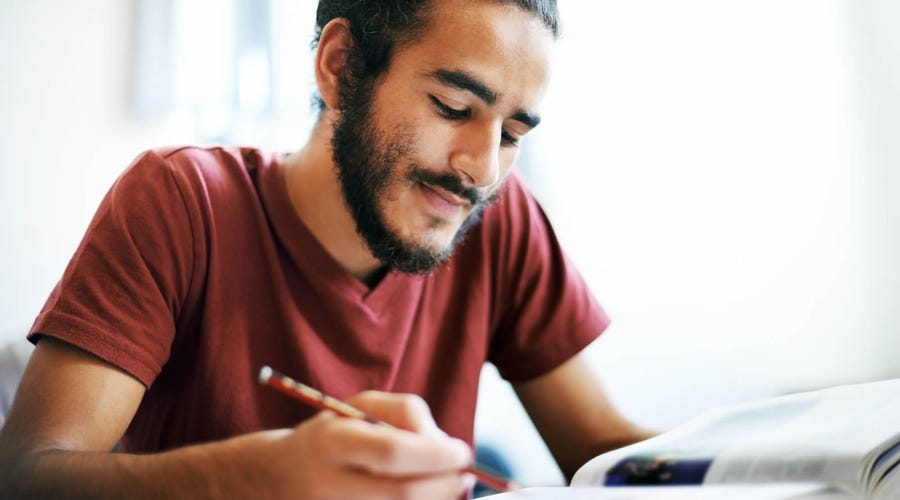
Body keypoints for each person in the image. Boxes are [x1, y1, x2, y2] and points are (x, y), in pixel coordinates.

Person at [0, 0, 654, 498]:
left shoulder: (501, 224)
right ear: (342, 67)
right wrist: (260, 478)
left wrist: (745, 456)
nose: (482, 168)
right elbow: (27, 474)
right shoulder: (181, 200)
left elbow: (603, 452)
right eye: (454, 106)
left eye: (512, 134)